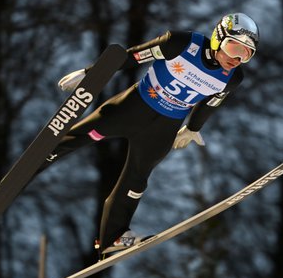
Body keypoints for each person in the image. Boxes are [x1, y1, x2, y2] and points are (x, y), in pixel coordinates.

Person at [42, 13, 259, 255]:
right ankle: (37, 161)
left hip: (163, 130)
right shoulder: (181, 44)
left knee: (136, 179)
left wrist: (193, 128)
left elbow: (209, 104)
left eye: (246, 54)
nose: (236, 58)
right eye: (233, 47)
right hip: (133, 108)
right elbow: (133, 56)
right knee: (83, 135)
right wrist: (92, 73)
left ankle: (112, 238)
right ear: (218, 38)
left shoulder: (232, 78)